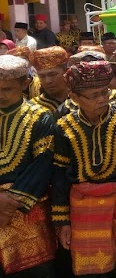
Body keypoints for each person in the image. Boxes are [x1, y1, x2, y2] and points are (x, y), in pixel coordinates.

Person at [52, 61, 116, 276]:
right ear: (75, 98)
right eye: (94, 95)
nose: (102, 99)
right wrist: (62, 221)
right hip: (83, 206)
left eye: (104, 92)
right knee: (93, 270)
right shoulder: (63, 126)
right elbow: (59, 174)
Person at [0, 55, 56, 276]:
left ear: (24, 84)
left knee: (35, 270)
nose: (1, 95)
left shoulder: (40, 117)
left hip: (28, 209)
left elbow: (43, 164)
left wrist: (9, 203)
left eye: (7, 89)